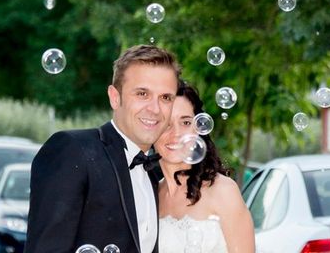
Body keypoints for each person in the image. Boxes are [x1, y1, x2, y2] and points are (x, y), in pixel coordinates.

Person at [25, 44, 181, 253]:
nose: (154, 109)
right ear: (115, 97)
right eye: (142, 94)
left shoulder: (155, 174)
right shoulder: (73, 150)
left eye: (165, 98)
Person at [155, 82, 255, 253]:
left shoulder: (223, 190)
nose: (176, 133)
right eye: (166, 123)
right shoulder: (149, 195)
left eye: (186, 122)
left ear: (198, 130)